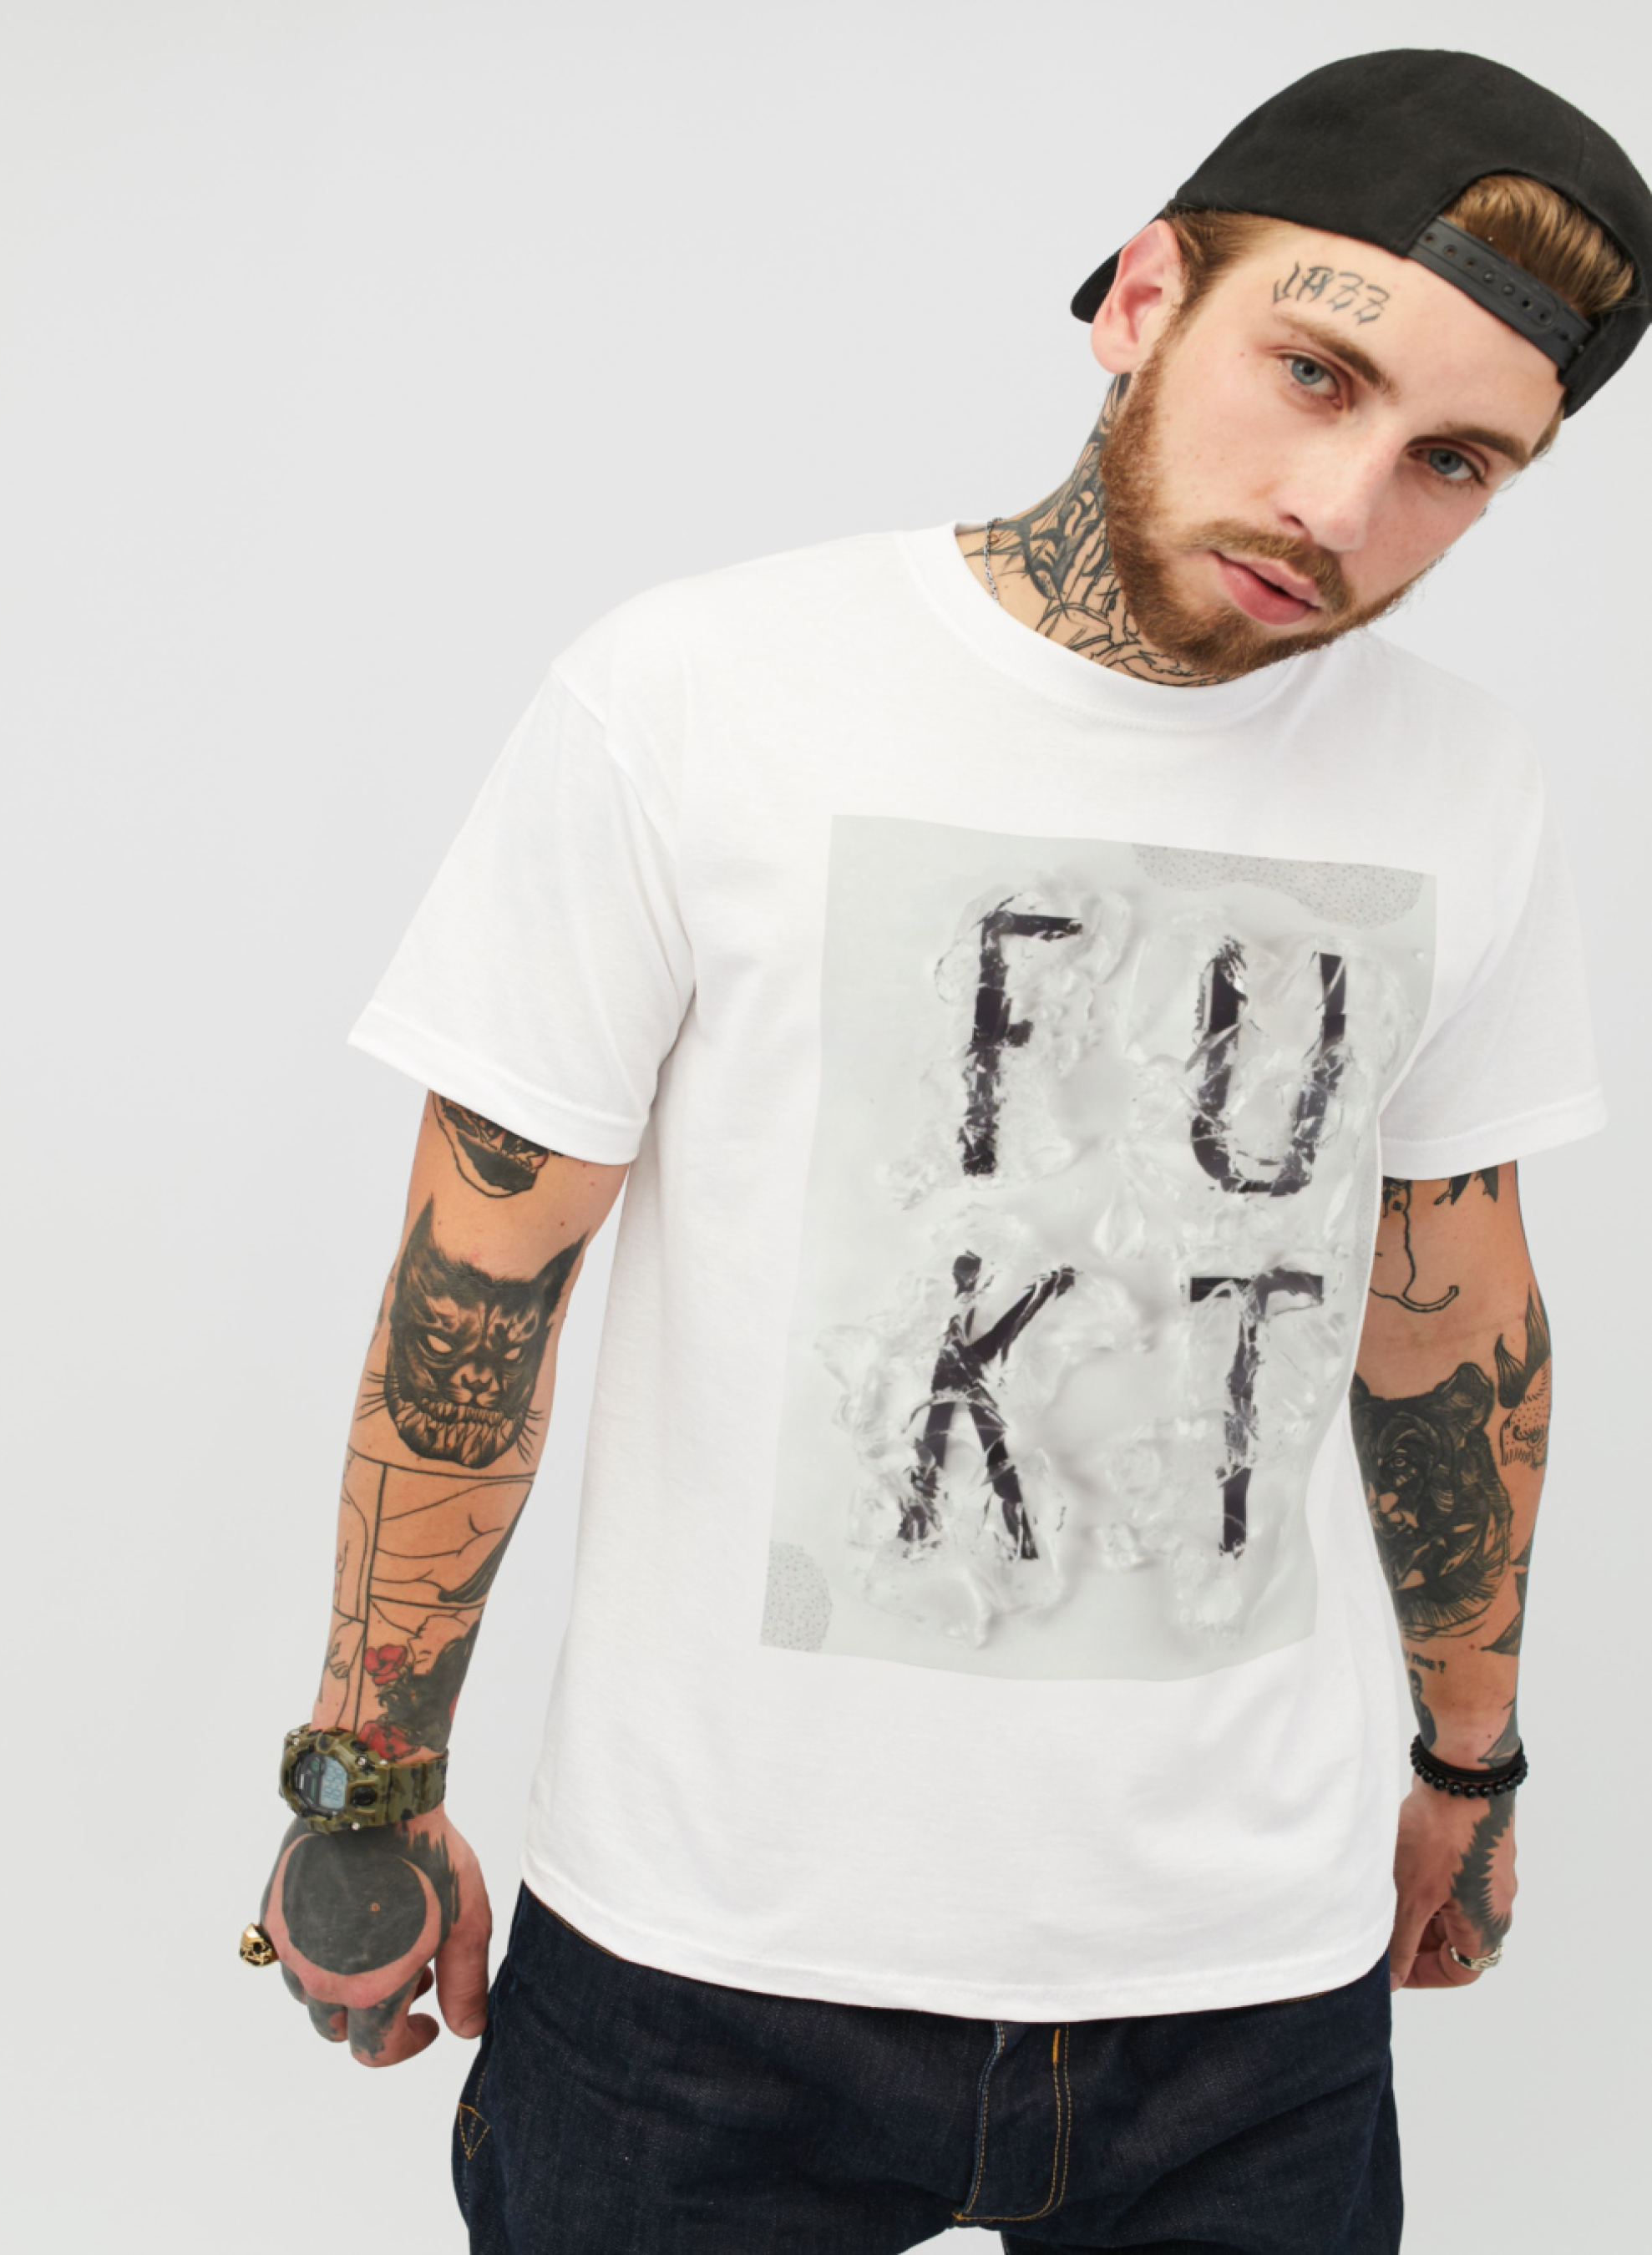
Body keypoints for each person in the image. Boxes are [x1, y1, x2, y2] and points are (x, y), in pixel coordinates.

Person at [245, 47, 1649, 2254]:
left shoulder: (1465, 784)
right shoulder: (702, 693)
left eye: (1452, 463)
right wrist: (363, 1784)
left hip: (1247, 1997)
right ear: (1142, 297)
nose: (1343, 502)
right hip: (704, 1971)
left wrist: (1469, 1761)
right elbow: (476, 1288)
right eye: (1312, 372)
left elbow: (1446, 1312)